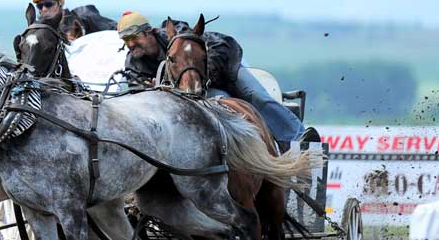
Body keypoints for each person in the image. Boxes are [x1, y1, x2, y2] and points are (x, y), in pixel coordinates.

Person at [116, 11, 316, 145]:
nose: (130, 44)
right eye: (126, 40)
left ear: (149, 32)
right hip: (198, 90)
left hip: (226, 70)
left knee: (255, 96)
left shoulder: (179, 33)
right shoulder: (133, 64)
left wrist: (203, 73)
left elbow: (213, 49)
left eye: (134, 38)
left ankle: (299, 138)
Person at [30, 0, 116, 40]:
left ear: (60, 3)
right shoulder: (40, 31)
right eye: (40, 6)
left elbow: (116, 30)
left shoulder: (84, 15)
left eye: (48, 4)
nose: (44, 9)